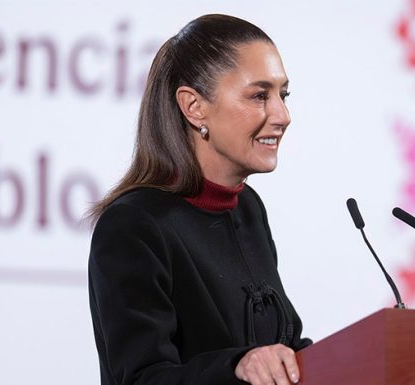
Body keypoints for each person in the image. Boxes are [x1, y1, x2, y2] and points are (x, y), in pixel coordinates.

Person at [87, 14, 311, 385]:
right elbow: (143, 378)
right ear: (193, 107)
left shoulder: (248, 209)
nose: (282, 115)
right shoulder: (134, 225)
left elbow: (284, 346)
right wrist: (237, 367)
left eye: (282, 95)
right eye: (260, 95)